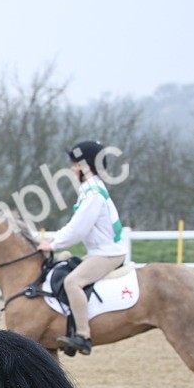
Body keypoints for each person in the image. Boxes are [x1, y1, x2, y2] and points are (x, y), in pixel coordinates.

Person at [40, 140, 128, 356]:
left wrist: (53, 243)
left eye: (75, 164)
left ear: (86, 166)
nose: (72, 169)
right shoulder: (90, 189)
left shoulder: (93, 193)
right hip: (100, 251)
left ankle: (83, 336)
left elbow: (78, 229)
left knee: (73, 282)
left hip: (107, 254)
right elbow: (75, 226)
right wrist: (55, 240)